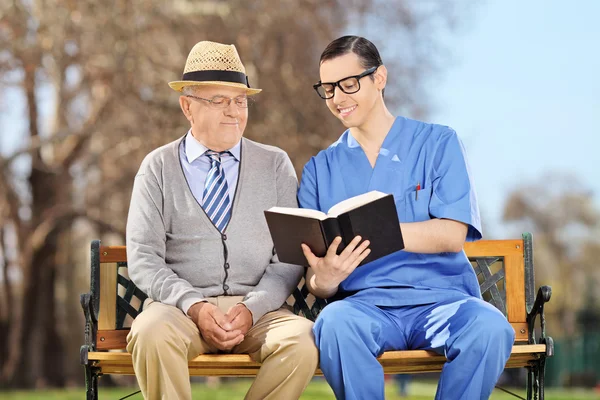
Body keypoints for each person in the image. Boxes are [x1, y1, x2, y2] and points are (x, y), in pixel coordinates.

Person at [298, 35, 515, 400]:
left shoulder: (438, 143)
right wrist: (324, 280)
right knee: (334, 323)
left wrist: (378, 230)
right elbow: (314, 275)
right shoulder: (320, 169)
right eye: (328, 88)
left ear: (379, 77)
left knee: (491, 327)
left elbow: (451, 233)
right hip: (365, 307)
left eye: (348, 84)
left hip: (443, 302)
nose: (337, 98)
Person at [125, 40, 318, 400]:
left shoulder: (275, 164)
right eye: (219, 101)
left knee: (304, 340)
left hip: (259, 312)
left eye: (240, 101)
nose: (234, 112)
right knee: (150, 332)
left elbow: (289, 256)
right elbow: (144, 258)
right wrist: (194, 306)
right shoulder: (157, 167)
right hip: (179, 311)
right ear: (187, 106)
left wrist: (252, 307)